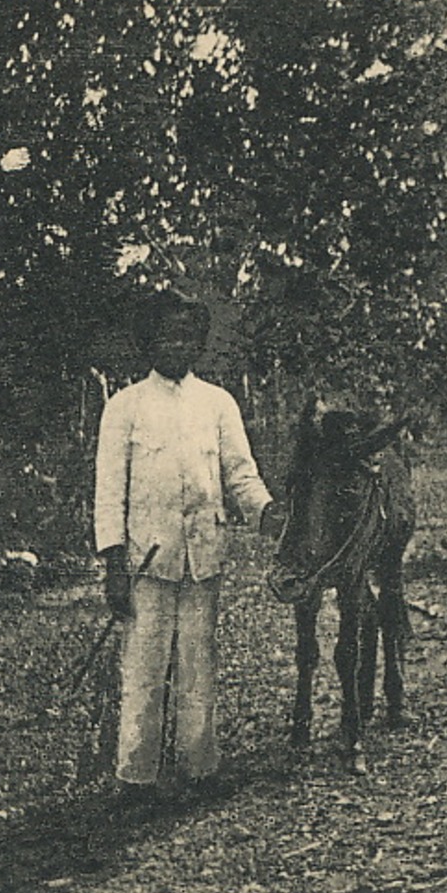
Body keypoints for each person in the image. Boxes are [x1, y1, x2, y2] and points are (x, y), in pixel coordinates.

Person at [93, 290, 285, 804]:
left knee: (199, 665)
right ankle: (136, 777)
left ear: (199, 343)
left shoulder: (218, 404)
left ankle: (200, 768)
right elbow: (109, 492)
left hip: (203, 556)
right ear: (147, 343)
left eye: (187, 336)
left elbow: (241, 476)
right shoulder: (124, 407)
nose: (177, 345)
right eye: (166, 336)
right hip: (146, 563)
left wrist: (268, 514)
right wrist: (114, 564)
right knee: (144, 669)